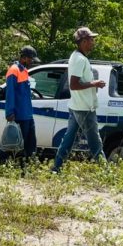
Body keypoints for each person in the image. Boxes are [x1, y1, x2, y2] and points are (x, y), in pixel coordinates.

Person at [51, 27, 107, 173]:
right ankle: (107, 173)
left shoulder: (77, 57)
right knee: (95, 142)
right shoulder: (80, 59)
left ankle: (56, 168)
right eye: (91, 39)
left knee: (68, 140)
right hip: (84, 107)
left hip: (77, 105)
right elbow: (74, 85)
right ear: (83, 41)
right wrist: (94, 83)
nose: (93, 42)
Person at [0, 45, 41, 166]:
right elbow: (10, 93)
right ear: (24, 58)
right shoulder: (14, 70)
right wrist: (9, 113)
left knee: (30, 143)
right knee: (13, 144)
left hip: (28, 114)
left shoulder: (24, 70)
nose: (31, 62)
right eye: (31, 59)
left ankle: (29, 166)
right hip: (19, 115)